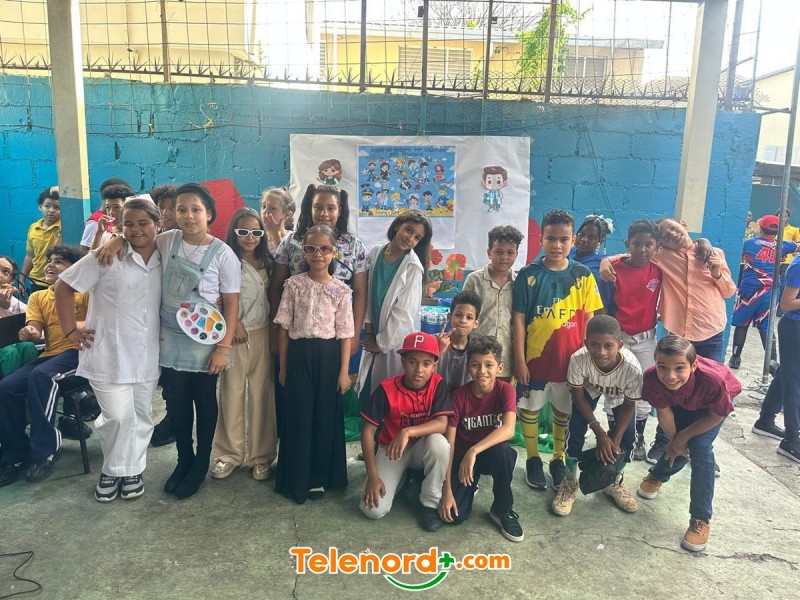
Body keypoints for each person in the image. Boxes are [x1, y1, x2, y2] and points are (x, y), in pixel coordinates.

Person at [97, 183, 241, 499]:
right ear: (172, 213)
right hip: (169, 339)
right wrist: (118, 238)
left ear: (209, 214)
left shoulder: (223, 254)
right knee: (177, 403)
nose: (188, 216)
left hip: (206, 342)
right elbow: (138, 237)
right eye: (181, 209)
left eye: (196, 209)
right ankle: (184, 459)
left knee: (204, 401)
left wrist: (223, 348)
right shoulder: (166, 241)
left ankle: (201, 463)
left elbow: (231, 304)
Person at [601, 217, 736, 465]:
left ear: (684, 224)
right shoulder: (661, 257)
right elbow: (632, 254)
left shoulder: (713, 254)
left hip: (711, 334)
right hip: (679, 334)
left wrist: (716, 271)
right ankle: (663, 442)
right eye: (664, 236)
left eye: (674, 228)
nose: (672, 235)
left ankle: (702, 448)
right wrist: (605, 261)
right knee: (668, 387)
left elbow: (729, 291)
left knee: (710, 390)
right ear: (661, 244)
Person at [54, 199, 162, 502]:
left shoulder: (165, 254)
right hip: (107, 353)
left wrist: (116, 238)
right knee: (116, 416)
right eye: (129, 224)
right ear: (120, 226)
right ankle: (113, 469)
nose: (136, 229)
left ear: (158, 224)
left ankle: (133, 469)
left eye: (144, 223)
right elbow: (63, 286)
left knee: (141, 415)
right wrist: (70, 330)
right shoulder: (104, 256)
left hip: (146, 354)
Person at [512, 209, 603, 491]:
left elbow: (589, 320)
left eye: (564, 239)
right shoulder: (528, 275)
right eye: (551, 239)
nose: (557, 245)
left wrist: (587, 363)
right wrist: (520, 361)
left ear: (573, 240)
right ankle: (533, 458)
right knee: (530, 408)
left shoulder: (583, 275)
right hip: (535, 362)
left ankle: (557, 458)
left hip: (570, 365)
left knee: (563, 412)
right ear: (541, 239)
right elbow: (519, 321)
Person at [269, 184, 366, 436]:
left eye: (330, 208)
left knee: (328, 402)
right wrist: (275, 330)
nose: (324, 213)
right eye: (318, 207)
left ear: (340, 210)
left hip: (333, 336)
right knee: (297, 403)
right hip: (297, 335)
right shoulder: (291, 242)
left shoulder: (354, 245)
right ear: (309, 208)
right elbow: (276, 287)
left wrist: (355, 334)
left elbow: (360, 292)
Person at [636, 335, 739, 553]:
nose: (670, 375)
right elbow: (665, 414)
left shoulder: (712, 381)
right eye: (663, 367)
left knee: (699, 448)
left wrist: (683, 438)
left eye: (679, 368)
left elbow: (716, 414)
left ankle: (701, 518)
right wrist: (676, 441)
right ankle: (658, 474)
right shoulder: (652, 378)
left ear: (693, 366)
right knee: (678, 444)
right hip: (681, 403)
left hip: (711, 409)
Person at [274, 225, 353, 504]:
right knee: (299, 415)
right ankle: (297, 477)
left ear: (334, 252)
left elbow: (345, 333)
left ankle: (319, 477)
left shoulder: (341, 290)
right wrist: (283, 367)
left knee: (324, 416)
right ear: (303, 252)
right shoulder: (294, 285)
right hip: (299, 355)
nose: (318, 254)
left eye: (325, 248)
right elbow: (284, 328)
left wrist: (344, 372)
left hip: (329, 356)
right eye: (311, 248)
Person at [0, 246, 88, 487]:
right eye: (50, 260)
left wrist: (78, 324)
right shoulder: (38, 297)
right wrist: (28, 331)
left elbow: (99, 322)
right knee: (6, 387)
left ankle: (45, 451)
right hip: (50, 356)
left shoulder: (85, 293)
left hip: (80, 354)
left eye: (59, 261)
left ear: (75, 269)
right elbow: (35, 329)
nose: (50, 265)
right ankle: (17, 452)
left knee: (42, 376)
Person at [360, 331, 453, 531]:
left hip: (422, 448)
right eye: (412, 362)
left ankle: (430, 503)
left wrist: (407, 432)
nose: (419, 370)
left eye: (426, 363)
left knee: (439, 444)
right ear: (402, 362)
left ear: (434, 366)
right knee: (373, 510)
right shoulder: (386, 388)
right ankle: (402, 478)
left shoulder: (437, 384)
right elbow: (367, 431)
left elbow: (441, 424)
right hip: (392, 451)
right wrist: (373, 476)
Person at [211, 209, 277, 482]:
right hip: (234, 335)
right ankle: (229, 454)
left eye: (256, 232)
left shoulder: (269, 262)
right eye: (243, 231)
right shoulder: (225, 259)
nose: (250, 237)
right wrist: (233, 322)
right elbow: (214, 295)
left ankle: (261, 456)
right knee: (231, 393)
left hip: (262, 333)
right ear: (233, 232)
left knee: (262, 395)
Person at [437, 335, 522, 542]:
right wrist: (447, 491)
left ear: (499, 367)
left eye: (489, 365)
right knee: (454, 516)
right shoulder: (459, 396)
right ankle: (470, 484)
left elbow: (509, 429)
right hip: (462, 459)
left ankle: (502, 509)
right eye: (475, 365)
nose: (482, 371)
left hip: (488, 454)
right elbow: (449, 444)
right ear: (468, 367)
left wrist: (473, 450)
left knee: (504, 453)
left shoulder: (506, 390)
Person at [555, 315, 640, 517]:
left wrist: (615, 441)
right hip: (589, 386)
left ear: (620, 345)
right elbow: (578, 397)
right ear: (586, 344)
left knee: (628, 436)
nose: (601, 352)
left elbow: (629, 406)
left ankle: (613, 481)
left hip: (619, 392)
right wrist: (600, 433)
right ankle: (569, 482)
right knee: (575, 428)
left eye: (608, 346)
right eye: (594, 345)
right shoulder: (578, 359)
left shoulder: (633, 369)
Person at [356, 210, 431, 401]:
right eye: (408, 230)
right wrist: (370, 332)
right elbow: (367, 296)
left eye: (417, 237)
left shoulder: (412, 267)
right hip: (374, 335)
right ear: (397, 225)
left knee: (389, 396)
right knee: (368, 392)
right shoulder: (375, 254)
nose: (410, 238)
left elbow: (404, 314)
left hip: (393, 342)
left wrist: (381, 343)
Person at [606, 220, 662, 460]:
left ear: (657, 247)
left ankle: (638, 437)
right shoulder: (613, 270)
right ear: (627, 243)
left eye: (648, 244)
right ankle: (614, 432)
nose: (642, 249)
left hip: (646, 339)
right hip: (618, 338)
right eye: (636, 244)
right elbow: (605, 305)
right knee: (614, 388)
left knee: (644, 388)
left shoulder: (659, 270)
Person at [728, 214, 797, 370]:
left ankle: (735, 358)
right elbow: (797, 246)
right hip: (770, 291)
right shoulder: (783, 245)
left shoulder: (749, 243)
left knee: (742, 323)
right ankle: (772, 362)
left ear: (760, 228)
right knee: (766, 325)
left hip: (749, 289)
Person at [752, 248, 800, 463]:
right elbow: (786, 304)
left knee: (786, 375)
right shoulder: (798, 266)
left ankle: (765, 421)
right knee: (794, 383)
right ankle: (792, 440)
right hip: (794, 327)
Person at [462, 225, 523, 382]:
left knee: (501, 395)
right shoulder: (474, 280)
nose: (504, 257)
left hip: (505, 358)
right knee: (475, 394)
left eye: (510, 252)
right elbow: (463, 316)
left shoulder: (519, 284)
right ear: (489, 252)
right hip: (476, 358)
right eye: (499, 252)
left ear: (516, 254)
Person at [436, 290, 481, 392]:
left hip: (465, 400)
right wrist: (436, 352)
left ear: (476, 323)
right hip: (436, 398)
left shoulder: (478, 350)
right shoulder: (434, 342)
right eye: (458, 315)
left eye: (469, 317)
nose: (463, 320)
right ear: (449, 317)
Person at [569, 214, 615, 311]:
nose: (583, 240)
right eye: (581, 234)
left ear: (600, 241)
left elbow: (602, 306)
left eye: (591, 238)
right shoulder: (567, 253)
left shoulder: (602, 265)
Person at [21, 187, 62, 293]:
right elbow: (30, 255)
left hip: (57, 281)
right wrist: (22, 279)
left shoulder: (64, 226)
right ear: (40, 207)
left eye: (57, 207)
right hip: (36, 281)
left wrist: (59, 189)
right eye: (47, 206)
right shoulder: (33, 228)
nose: (51, 210)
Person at [80, 178, 133, 250]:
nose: (111, 213)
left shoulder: (133, 230)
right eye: (108, 207)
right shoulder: (98, 225)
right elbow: (88, 253)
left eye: (117, 207)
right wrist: (99, 234)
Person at [261, 188, 295, 255]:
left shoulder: (293, 238)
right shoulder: (257, 238)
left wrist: (275, 235)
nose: (265, 211)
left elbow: (287, 260)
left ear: (287, 215)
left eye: (273, 208)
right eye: (264, 207)